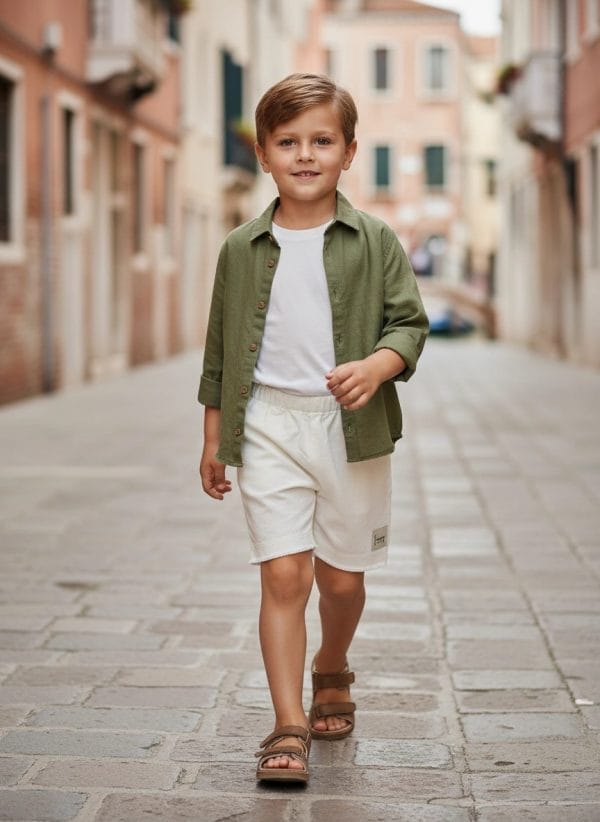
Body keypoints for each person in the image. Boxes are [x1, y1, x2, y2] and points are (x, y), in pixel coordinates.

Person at [198, 73, 428, 784]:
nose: (305, 155)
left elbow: (409, 324)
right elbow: (218, 348)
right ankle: (288, 724)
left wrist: (377, 366)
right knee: (285, 574)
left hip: (350, 428)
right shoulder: (240, 247)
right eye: (288, 141)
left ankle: (332, 663)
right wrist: (214, 438)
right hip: (267, 422)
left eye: (321, 140)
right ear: (263, 154)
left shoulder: (375, 239)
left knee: (341, 581)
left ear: (349, 151)